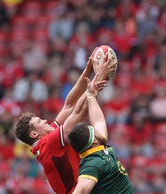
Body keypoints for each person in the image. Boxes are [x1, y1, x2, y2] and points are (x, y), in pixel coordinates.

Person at [14, 53, 114, 194]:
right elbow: (78, 113)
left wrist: (88, 70)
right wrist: (97, 82)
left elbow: (69, 105)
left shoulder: (48, 137)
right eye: (39, 121)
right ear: (34, 134)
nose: (44, 120)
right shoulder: (47, 146)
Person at [68, 74, 134, 194]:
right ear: (93, 141)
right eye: (93, 131)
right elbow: (81, 191)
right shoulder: (92, 164)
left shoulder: (99, 146)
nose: (96, 130)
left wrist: (91, 96)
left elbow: (98, 120)